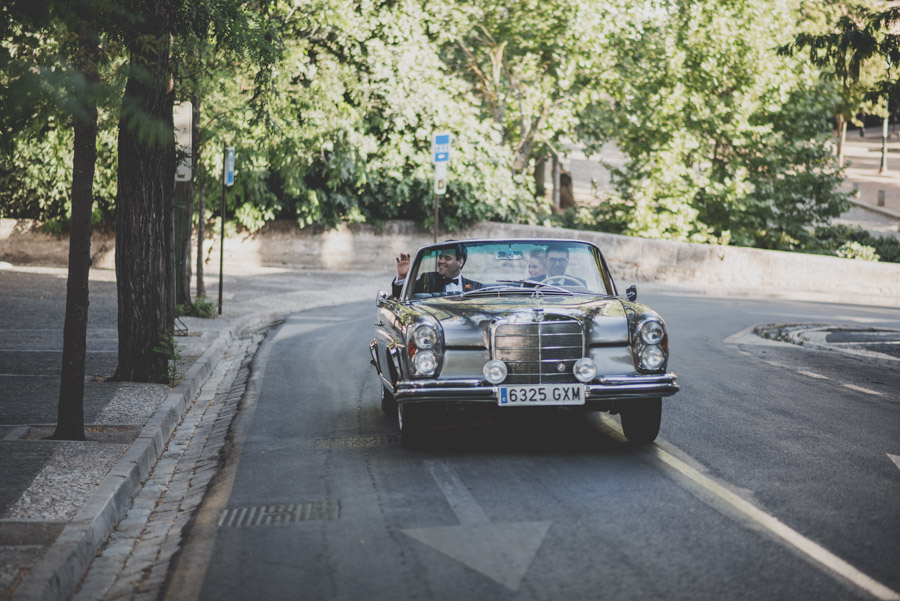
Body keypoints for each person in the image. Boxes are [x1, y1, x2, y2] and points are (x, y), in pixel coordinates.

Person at [391, 243, 482, 297]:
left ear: (460, 262)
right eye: (440, 257)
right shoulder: (428, 280)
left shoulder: (475, 287)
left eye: (447, 258)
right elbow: (401, 297)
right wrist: (403, 277)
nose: (441, 261)